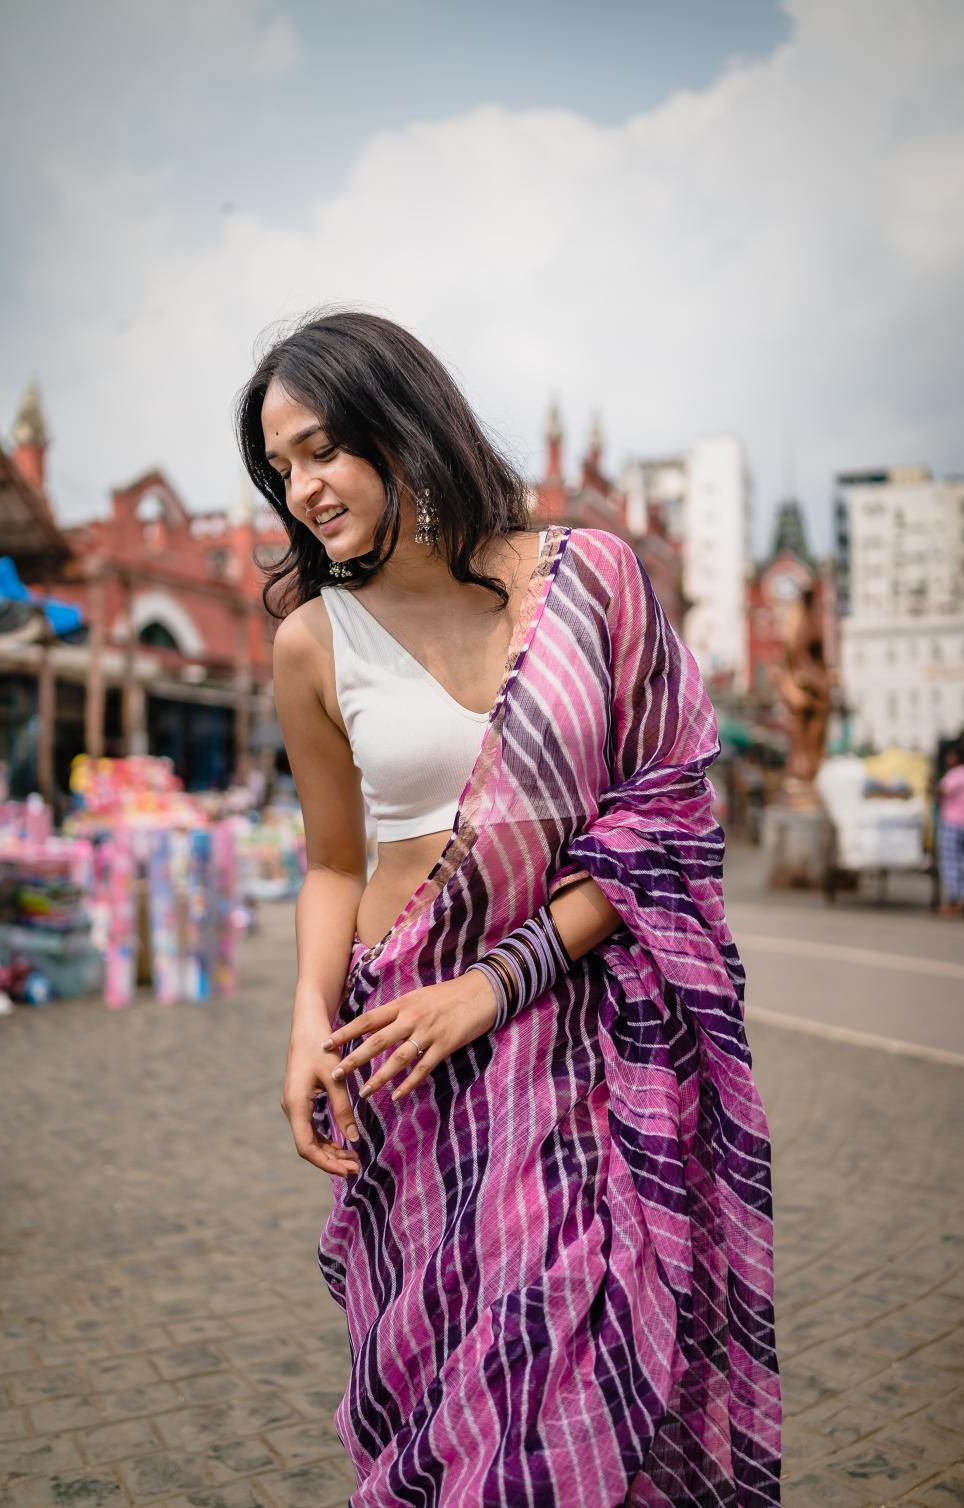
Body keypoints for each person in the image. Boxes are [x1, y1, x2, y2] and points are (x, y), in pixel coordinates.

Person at [235, 309, 781, 1506]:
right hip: (407, 1054)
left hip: (586, 1035)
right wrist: (302, 1028)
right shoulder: (311, 641)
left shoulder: (591, 578)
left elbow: (668, 809)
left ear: (401, 417)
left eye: (322, 448)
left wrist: (499, 977)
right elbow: (333, 859)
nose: (304, 487)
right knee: (453, 1380)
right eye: (281, 468)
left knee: (563, 1361)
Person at [937, 746, 964, 917]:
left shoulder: (955, 774)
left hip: (953, 823)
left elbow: (941, 791)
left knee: (951, 862)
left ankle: (954, 901)